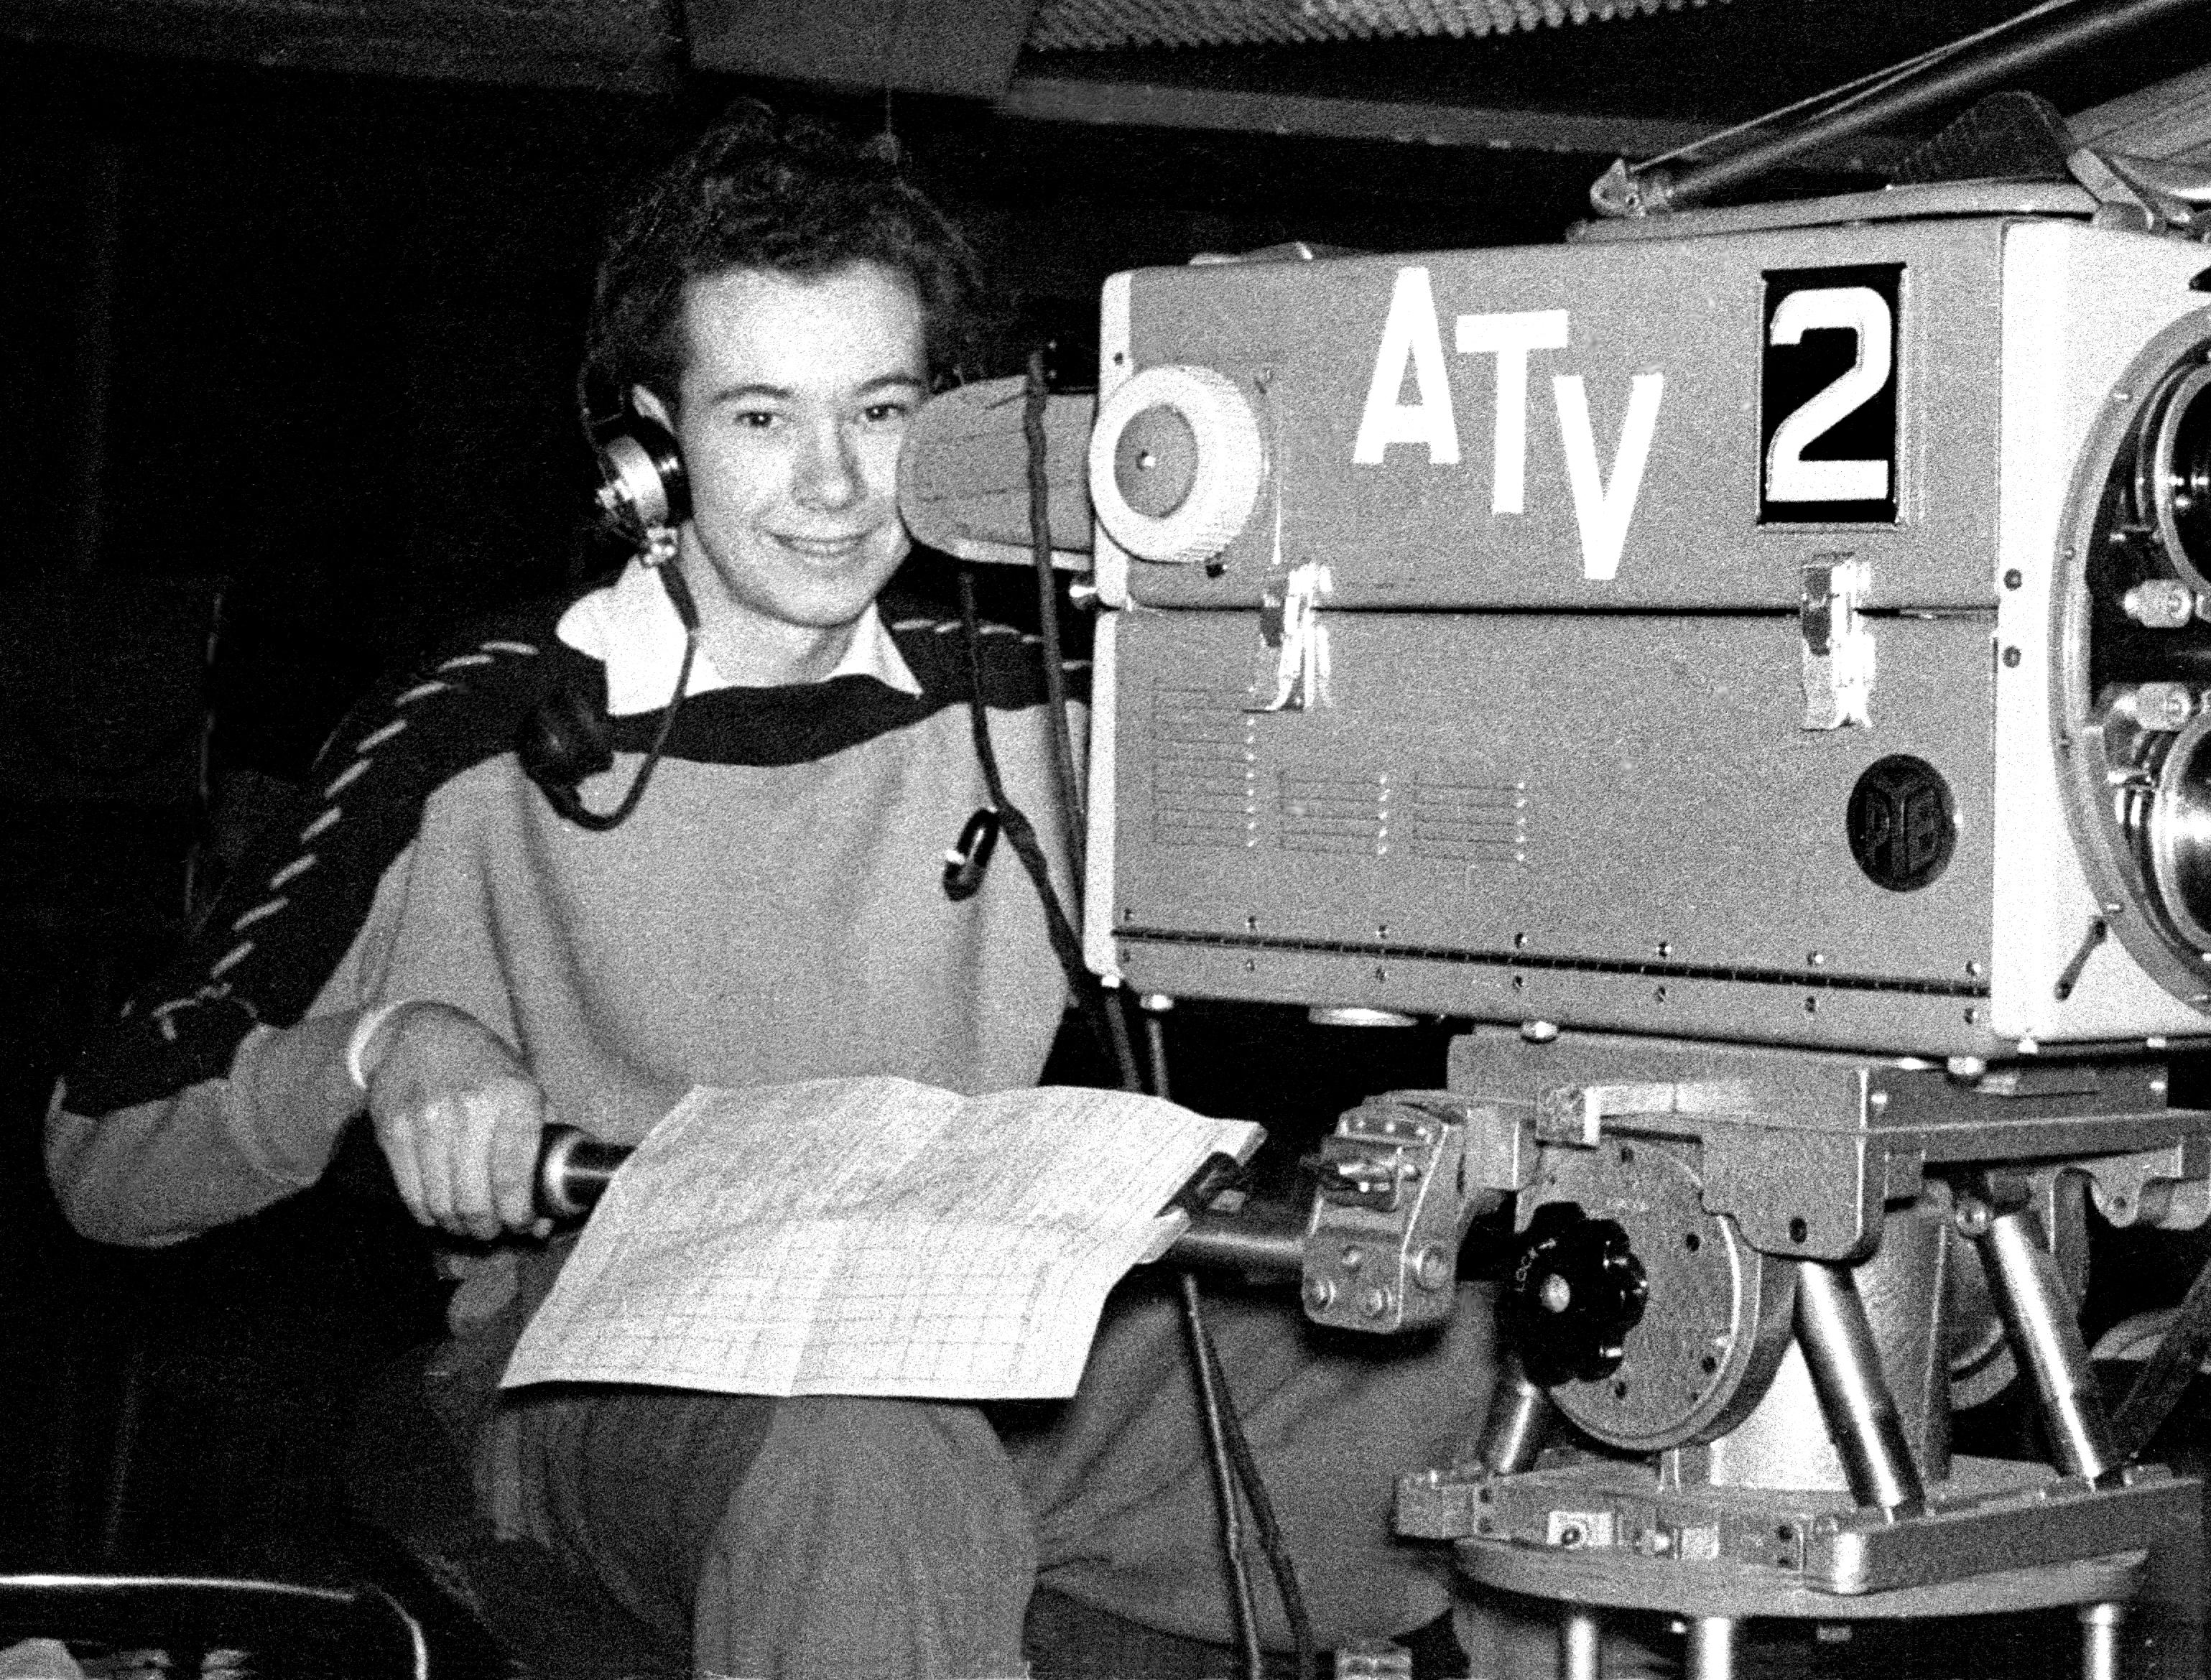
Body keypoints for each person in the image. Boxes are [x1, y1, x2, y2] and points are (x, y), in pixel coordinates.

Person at [47, 103, 1497, 1679]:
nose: (832, 486)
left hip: (977, 1338)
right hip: (602, 1370)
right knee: (867, 1457)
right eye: (758, 419)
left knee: (1505, 1353)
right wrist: (385, 1048)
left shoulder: (1048, 714)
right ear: (644, 450)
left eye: (879, 413)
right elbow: (102, 1148)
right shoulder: (478, 730)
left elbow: (1398, 848)